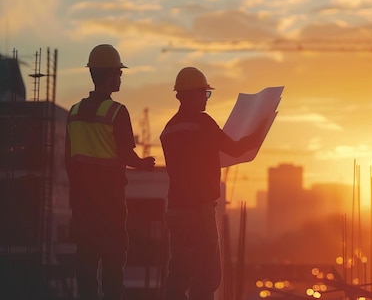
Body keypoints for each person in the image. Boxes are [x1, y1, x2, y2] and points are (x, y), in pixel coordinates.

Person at [160, 66, 267, 300]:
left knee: (179, 272)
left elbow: (188, 162)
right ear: (190, 95)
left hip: (175, 210)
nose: (206, 100)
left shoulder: (168, 130)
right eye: (204, 94)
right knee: (206, 276)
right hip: (199, 210)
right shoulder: (203, 123)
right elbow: (235, 149)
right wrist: (258, 134)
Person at [65, 44, 156, 300]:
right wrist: (144, 164)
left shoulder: (73, 114)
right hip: (111, 206)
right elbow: (126, 154)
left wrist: (79, 191)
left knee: (85, 268)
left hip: (83, 206)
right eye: (118, 72)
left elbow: (68, 160)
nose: (120, 77)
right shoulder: (117, 112)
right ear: (109, 74)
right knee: (113, 272)